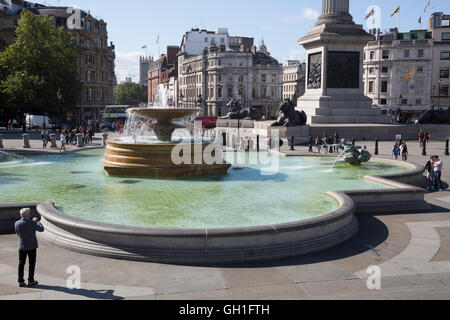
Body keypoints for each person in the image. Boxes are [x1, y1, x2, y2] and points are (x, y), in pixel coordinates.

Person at [15, 208, 44, 288]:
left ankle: (20, 281)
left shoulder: (17, 223)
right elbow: (41, 229)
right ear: (28, 215)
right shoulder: (32, 223)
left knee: (21, 263)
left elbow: (18, 233)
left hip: (22, 246)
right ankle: (30, 281)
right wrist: (37, 222)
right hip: (31, 246)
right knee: (32, 263)